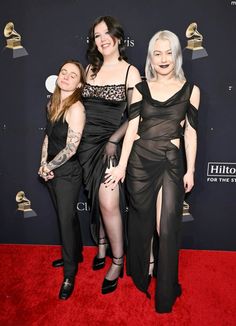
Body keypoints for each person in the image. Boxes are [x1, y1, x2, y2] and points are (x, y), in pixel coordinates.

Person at [106, 30, 200, 312]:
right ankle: (145, 266)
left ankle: (166, 289)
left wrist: (191, 170)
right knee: (142, 219)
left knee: (165, 227)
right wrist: (122, 166)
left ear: (177, 55)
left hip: (171, 162)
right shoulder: (140, 89)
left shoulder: (190, 90)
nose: (163, 58)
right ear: (150, 57)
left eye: (168, 52)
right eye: (157, 53)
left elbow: (191, 134)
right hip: (139, 162)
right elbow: (132, 128)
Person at [78, 16, 141, 294]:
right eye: (96, 35)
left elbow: (136, 115)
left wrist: (115, 139)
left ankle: (117, 260)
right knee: (94, 198)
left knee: (108, 202)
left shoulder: (130, 72)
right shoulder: (89, 70)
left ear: (118, 37)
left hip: (111, 145)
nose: (102, 39)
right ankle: (101, 246)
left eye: (107, 33)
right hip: (86, 145)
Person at [38, 59, 86, 300]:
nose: (66, 77)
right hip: (52, 171)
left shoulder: (76, 108)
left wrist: (51, 166)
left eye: (73, 75)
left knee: (66, 222)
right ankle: (75, 254)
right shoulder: (52, 103)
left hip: (68, 173)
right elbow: (48, 136)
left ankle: (70, 273)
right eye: (63, 72)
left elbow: (71, 148)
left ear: (79, 85)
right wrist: (42, 164)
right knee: (67, 217)